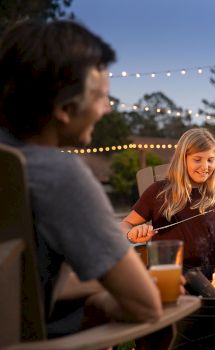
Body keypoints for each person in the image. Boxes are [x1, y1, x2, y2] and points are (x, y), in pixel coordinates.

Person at [0, 20, 165, 336]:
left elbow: (27, 283)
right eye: (101, 97)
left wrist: (93, 290)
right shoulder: (58, 175)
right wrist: (103, 303)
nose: (106, 109)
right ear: (64, 108)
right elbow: (145, 305)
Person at [120, 128, 215, 276]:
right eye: (197, 159)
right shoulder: (158, 192)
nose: (205, 166)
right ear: (182, 160)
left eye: (210, 159)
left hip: (210, 272)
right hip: (169, 272)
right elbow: (124, 225)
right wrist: (131, 234)